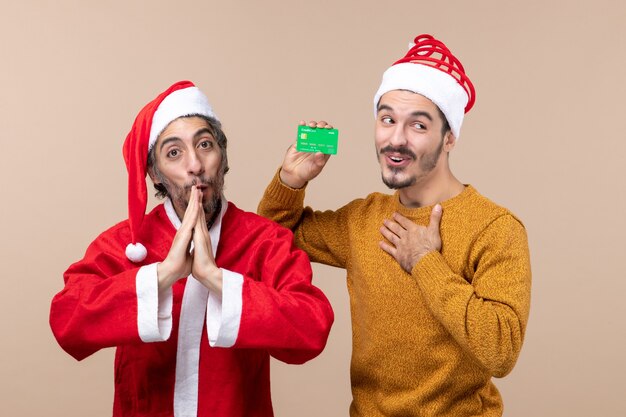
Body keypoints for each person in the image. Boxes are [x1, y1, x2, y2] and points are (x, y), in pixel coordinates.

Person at [257, 34, 531, 416]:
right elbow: (268, 240)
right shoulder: (363, 219)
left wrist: (424, 262)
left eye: (418, 125)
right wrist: (291, 181)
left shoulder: (495, 228)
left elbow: (501, 350)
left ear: (449, 137)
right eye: (387, 120)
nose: (395, 140)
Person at [50, 80, 334, 417]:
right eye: (174, 153)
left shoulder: (263, 239)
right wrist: (163, 274)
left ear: (222, 156)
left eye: (205, 145)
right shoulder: (126, 243)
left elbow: (311, 328)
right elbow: (67, 320)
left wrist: (215, 278)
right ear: (155, 174)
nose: (195, 165)